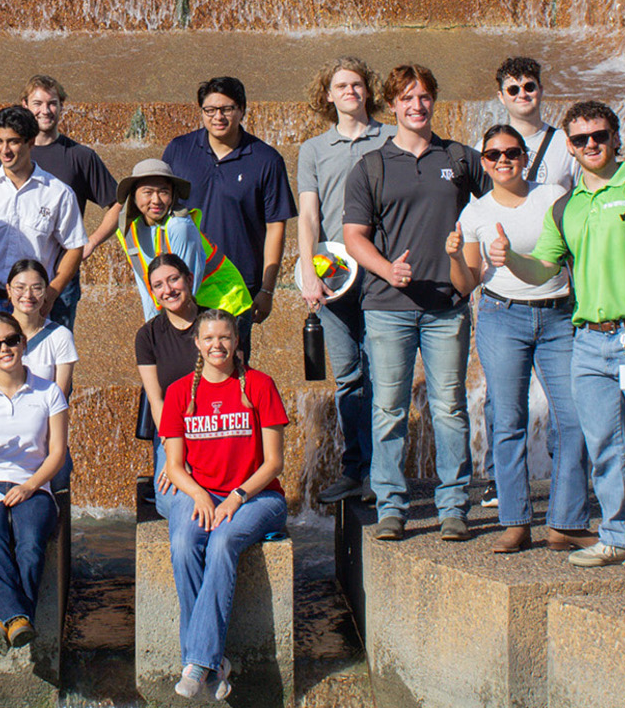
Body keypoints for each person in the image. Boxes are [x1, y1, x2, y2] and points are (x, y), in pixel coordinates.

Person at [491, 100, 625, 576]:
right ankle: (618, 535)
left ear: (616, 138)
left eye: (599, 136)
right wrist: (508, 260)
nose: (591, 145)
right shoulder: (567, 206)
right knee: (603, 443)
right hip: (588, 340)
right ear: (569, 146)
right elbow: (544, 267)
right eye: (580, 139)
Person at [343, 64, 485, 543]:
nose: (416, 106)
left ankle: (452, 507)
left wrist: (479, 270)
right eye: (406, 98)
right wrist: (386, 269)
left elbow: (501, 204)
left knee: (449, 408)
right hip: (387, 306)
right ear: (392, 106)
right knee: (388, 409)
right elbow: (353, 237)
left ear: (433, 102)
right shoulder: (371, 166)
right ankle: (391, 507)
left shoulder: (461, 159)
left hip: (447, 306)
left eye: (424, 97)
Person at [455, 126, 592, 554]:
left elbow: (574, 250)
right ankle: (515, 522)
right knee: (508, 420)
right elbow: (467, 283)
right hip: (502, 316)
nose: (503, 160)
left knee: (574, 419)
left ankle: (566, 521)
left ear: (525, 157)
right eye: (493, 154)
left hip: (558, 316)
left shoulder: (552, 197)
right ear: (484, 162)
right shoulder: (474, 213)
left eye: (512, 152)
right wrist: (453, 256)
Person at [158, 307, 289, 702]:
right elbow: (175, 466)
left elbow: (274, 463)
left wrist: (237, 496)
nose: (218, 345)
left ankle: (198, 661)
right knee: (183, 544)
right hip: (200, 492)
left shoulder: (260, 386)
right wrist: (199, 494)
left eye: (225, 338)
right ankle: (210, 664)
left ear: (237, 342)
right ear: (197, 344)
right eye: (209, 338)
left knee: (222, 541)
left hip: (258, 496)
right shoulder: (180, 392)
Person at [297, 57, 388, 505]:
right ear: (327, 94)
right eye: (340, 85)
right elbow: (309, 216)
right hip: (334, 276)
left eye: (357, 83)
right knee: (350, 376)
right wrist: (308, 271)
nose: (350, 90)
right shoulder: (314, 149)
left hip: (383, 271)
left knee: (383, 375)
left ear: (368, 91)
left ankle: (383, 474)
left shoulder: (391, 137)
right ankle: (357, 470)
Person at [0, 313, 69, 655]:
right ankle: (17, 619)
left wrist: (31, 486)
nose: (4, 348)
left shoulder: (49, 392)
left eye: (11, 341)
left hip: (34, 486)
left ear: (23, 343)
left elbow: (57, 453)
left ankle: (3, 620)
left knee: (31, 541)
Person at [162, 76, 295, 359]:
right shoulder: (179, 150)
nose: (218, 116)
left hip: (237, 286)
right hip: (184, 283)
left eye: (227, 108)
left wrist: (267, 290)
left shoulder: (266, 160)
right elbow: (157, 210)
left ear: (243, 110)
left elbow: (275, 228)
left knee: (231, 369)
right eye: (210, 110)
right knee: (180, 370)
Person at [0, 106, 87, 373]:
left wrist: (52, 292)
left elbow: (74, 247)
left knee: (44, 390)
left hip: (36, 305)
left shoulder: (58, 193)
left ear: (30, 142)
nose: (5, 150)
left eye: (13, 141)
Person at [16, 75, 120, 329]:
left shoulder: (80, 157)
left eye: (52, 103)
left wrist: (91, 242)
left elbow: (119, 204)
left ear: (61, 105)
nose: (45, 110)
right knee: (10, 353)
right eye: (37, 103)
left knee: (55, 354)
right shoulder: (8, 154)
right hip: (13, 274)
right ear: (24, 105)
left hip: (61, 277)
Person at [113, 158, 252, 321]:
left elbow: (187, 286)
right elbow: (146, 284)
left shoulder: (180, 226)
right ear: (134, 197)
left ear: (173, 195)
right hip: (192, 310)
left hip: (225, 305)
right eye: (148, 192)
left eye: (163, 192)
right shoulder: (129, 232)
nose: (156, 200)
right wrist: (152, 327)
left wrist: (174, 330)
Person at [135, 253, 205, 508]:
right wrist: (176, 455)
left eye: (174, 280)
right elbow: (156, 400)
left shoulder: (215, 323)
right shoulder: (148, 336)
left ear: (189, 279)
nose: (168, 290)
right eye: (158, 285)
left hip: (216, 427)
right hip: (171, 431)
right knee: (174, 497)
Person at [0, 258, 77, 393]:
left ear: (46, 290)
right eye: (20, 287)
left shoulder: (60, 337)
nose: (28, 295)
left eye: (37, 288)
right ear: (8, 290)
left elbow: (60, 399)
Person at [495, 57, 578, 189]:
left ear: (540, 90)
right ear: (501, 97)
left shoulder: (568, 143)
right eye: (513, 90)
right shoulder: (486, 149)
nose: (522, 94)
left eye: (529, 87)